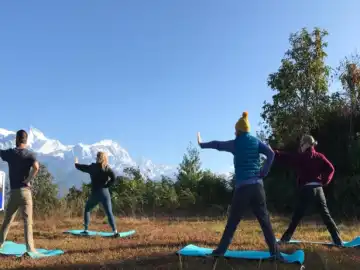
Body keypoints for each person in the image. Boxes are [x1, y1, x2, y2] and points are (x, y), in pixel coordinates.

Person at [197, 112, 283, 261]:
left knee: (233, 221)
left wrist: (201, 144)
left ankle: (219, 252)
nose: (234, 132)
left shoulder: (235, 143)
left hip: (243, 188)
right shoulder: (256, 141)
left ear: (238, 131)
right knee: (265, 220)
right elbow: (271, 153)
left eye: (235, 130)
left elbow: (217, 144)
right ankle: (275, 254)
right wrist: (264, 171)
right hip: (257, 187)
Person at [274, 135, 343, 246]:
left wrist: (274, 153)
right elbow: (331, 169)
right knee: (326, 215)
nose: (300, 147)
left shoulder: (302, 157)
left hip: (307, 190)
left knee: (297, 217)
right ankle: (338, 240)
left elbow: (287, 158)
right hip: (319, 190)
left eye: (301, 144)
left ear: (306, 144)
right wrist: (324, 181)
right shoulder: (320, 157)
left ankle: (285, 239)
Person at [0, 130, 40, 254]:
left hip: (14, 192)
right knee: (28, 222)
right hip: (25, 192)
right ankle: (30, 249)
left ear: (16, 139)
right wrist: (28, 179)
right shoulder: (30, 154)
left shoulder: (10, 153)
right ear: (26, 140)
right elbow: (36, 167)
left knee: (7, 220)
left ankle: (0, 243)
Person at [74, 151, 118, 236]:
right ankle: (115, 231)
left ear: (97, 158)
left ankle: (86, 229)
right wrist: (107, 185)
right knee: (109, 212)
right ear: (105, 158)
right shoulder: (107, 168)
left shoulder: (92, 167)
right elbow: (114, 178)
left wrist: (76, 162)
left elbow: (80, 167)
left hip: (95, 194)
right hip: (105, 193)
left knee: (87, 209)